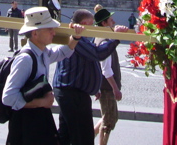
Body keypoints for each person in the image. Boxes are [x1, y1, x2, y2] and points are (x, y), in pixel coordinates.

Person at [3, 6, 84, 145]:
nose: (53, 32)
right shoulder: (26, 59)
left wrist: (75, 37)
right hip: (25, 127)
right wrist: (42, 102)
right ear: (35, 33)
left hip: (37, 122)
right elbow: (8, 97)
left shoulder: (43, 52)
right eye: (49, 29)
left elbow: (62, 52)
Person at [53, 9, 128, 145]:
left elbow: (89, 62)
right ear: (83, 23)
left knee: (66, 135)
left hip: (72, 92)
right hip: (72, 93)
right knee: (83, 137)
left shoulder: (80, 37)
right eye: (91, 24)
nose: (93, 27)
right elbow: (97, 54)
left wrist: (94, 87)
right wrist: (116, 37)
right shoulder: (77, 38)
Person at [93, 8, 122, 145]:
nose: (114, 22)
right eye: (111, 20)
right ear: (104, 23)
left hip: (104, 87)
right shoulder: (104, 41)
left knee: (109, 117)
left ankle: (89, 136)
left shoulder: (100, 37)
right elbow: (106, 70)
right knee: (109, 121)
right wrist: (115, 89)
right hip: (107, 88)